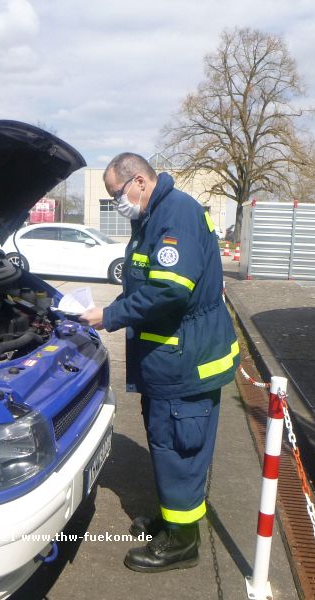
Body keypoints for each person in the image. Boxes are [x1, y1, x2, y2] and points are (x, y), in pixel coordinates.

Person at [80, 153, 238, 573]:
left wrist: (109, 316)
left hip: (185, 362)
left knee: (181, 450)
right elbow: (144, 281)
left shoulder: (176, 215)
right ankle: (173, 523)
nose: (117, 202)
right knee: (168, 446)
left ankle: (183, 543)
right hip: (172, 359)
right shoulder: (153, 216)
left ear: (139, 181)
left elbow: (170, 291)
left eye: (117, 194)